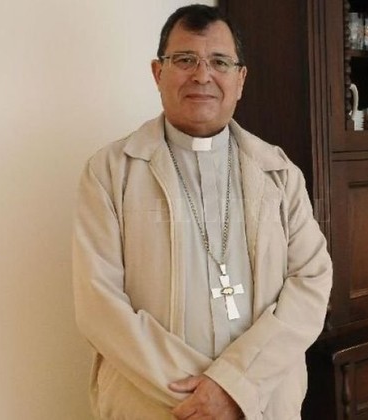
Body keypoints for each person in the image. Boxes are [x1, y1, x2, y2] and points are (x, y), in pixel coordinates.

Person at [72, 4, 332, 419]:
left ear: (240, 79)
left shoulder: (279, 173)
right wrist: (203, 399)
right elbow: (99, 305)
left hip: (261, 406)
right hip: (156, 407)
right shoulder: (109, 172)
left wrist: (235, 387)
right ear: (158, 73)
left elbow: (311, 283)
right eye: (185, 60)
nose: (202, 75)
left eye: (220, 62)